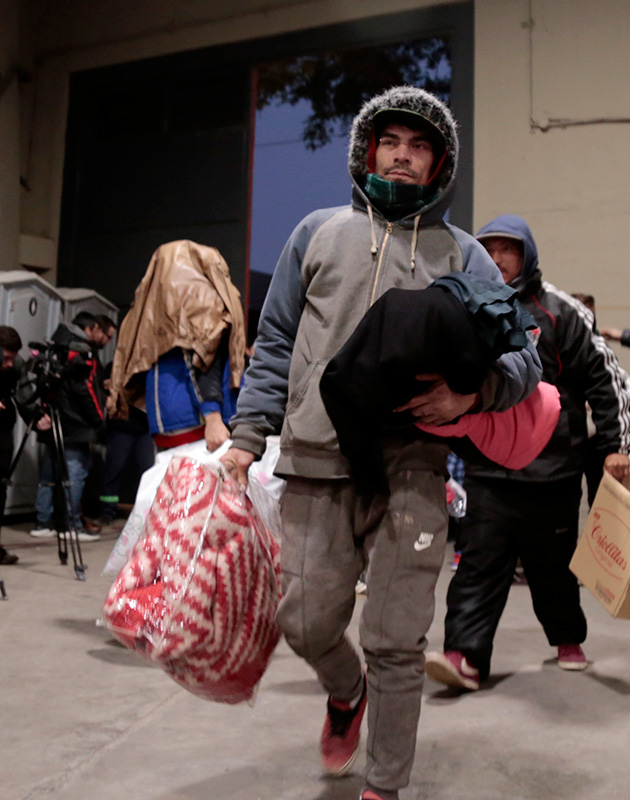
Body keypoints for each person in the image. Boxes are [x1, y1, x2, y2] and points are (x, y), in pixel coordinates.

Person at [219, 86, 540, 800]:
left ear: (440, 164)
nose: (402, 154)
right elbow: (274, 342)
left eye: (419, 145)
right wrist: (248, 436)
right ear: (367, 151)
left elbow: (524, 359)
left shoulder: (463, 255)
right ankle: (345, 691)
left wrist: (471, 395)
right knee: (302, 622)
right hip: (314, 462)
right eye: (390, 140)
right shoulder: (317, 233)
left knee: (397, 641)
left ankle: (385, 785)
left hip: (412, 469)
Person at [425, 214, 630, 690]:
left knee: (554, 567)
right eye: (490, 249)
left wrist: (616, 444)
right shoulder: (465, 305)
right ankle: (464, 657)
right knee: (477, 565)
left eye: (508, 250)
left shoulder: (561, 310)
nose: (497, 259)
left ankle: (566, 637)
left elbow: (606, 379)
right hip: (489, 469)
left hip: (553, 471)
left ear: (528, 255)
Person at [106, 240, 246, 453]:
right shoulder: (198, 304)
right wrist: (213, 417)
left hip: (179, 426)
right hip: (195, 426)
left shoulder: (158, 314)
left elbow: (199, 360)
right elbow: (202, 360)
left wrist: (212, 417)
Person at [24, 312, 111, 541]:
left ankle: (43, 522)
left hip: (51, 419)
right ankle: (71, 525)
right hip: (76, 424)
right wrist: (98, 418)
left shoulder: (55, 346)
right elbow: (86, 389)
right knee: (74, 475)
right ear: (91, 328)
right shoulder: (81, 351)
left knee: (49, 473)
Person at [0, 326, 23, 564]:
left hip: (4, 432)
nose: (9, 364)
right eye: (5, 358)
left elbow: (24, 395)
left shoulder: (12, 370)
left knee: (1, 487)